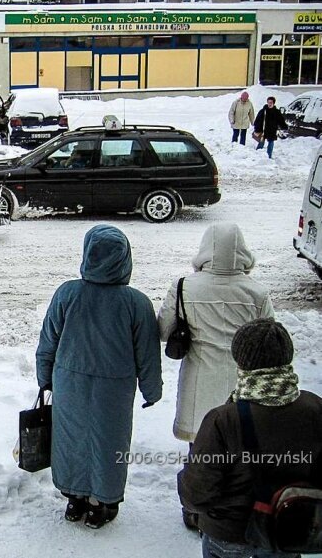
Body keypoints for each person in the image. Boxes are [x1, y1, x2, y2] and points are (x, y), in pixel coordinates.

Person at [36, 224, 162, 529]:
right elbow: (147, 353)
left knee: (72, 439)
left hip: (70, 382)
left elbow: (48, 340)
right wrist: (151, 390)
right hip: (114, 390)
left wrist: (45, 378)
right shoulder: (137, 303)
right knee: (109, 442)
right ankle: (101, 504)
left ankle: (74, 499)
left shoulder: (68, 293)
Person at [158, 222, 274, 528]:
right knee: (239, 448)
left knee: (200, 449)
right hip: (243, 384)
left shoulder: (184, 285)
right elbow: (268, 338)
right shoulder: (257, 292)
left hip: (199, 381)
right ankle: (234, 510)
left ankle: (196, 511)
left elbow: (163, 330)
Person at [178, 318, 322, 558]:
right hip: (290, 529)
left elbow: (197, 494)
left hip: (230, 535)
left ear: (241, 360)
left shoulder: (223, 419)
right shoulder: (316, 408)